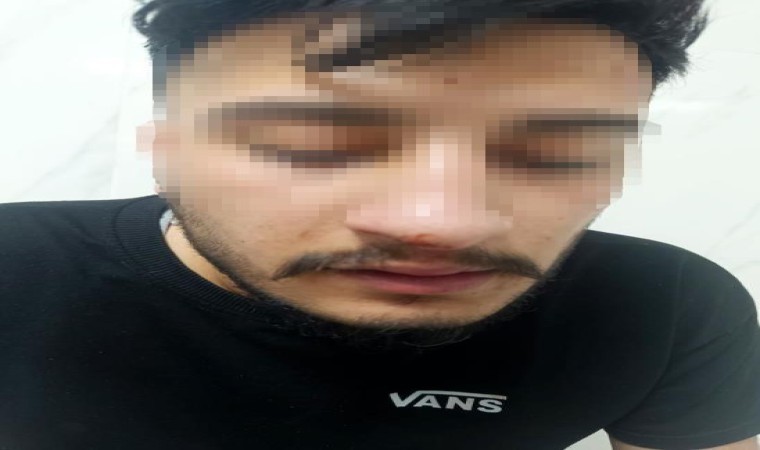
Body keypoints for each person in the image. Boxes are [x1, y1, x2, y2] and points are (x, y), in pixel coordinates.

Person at [0, 0, 758, 448]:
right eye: (312, 143)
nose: (442, 224)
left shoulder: (667, 309)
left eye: (561, 153)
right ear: (166, 152)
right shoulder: (15, 273)